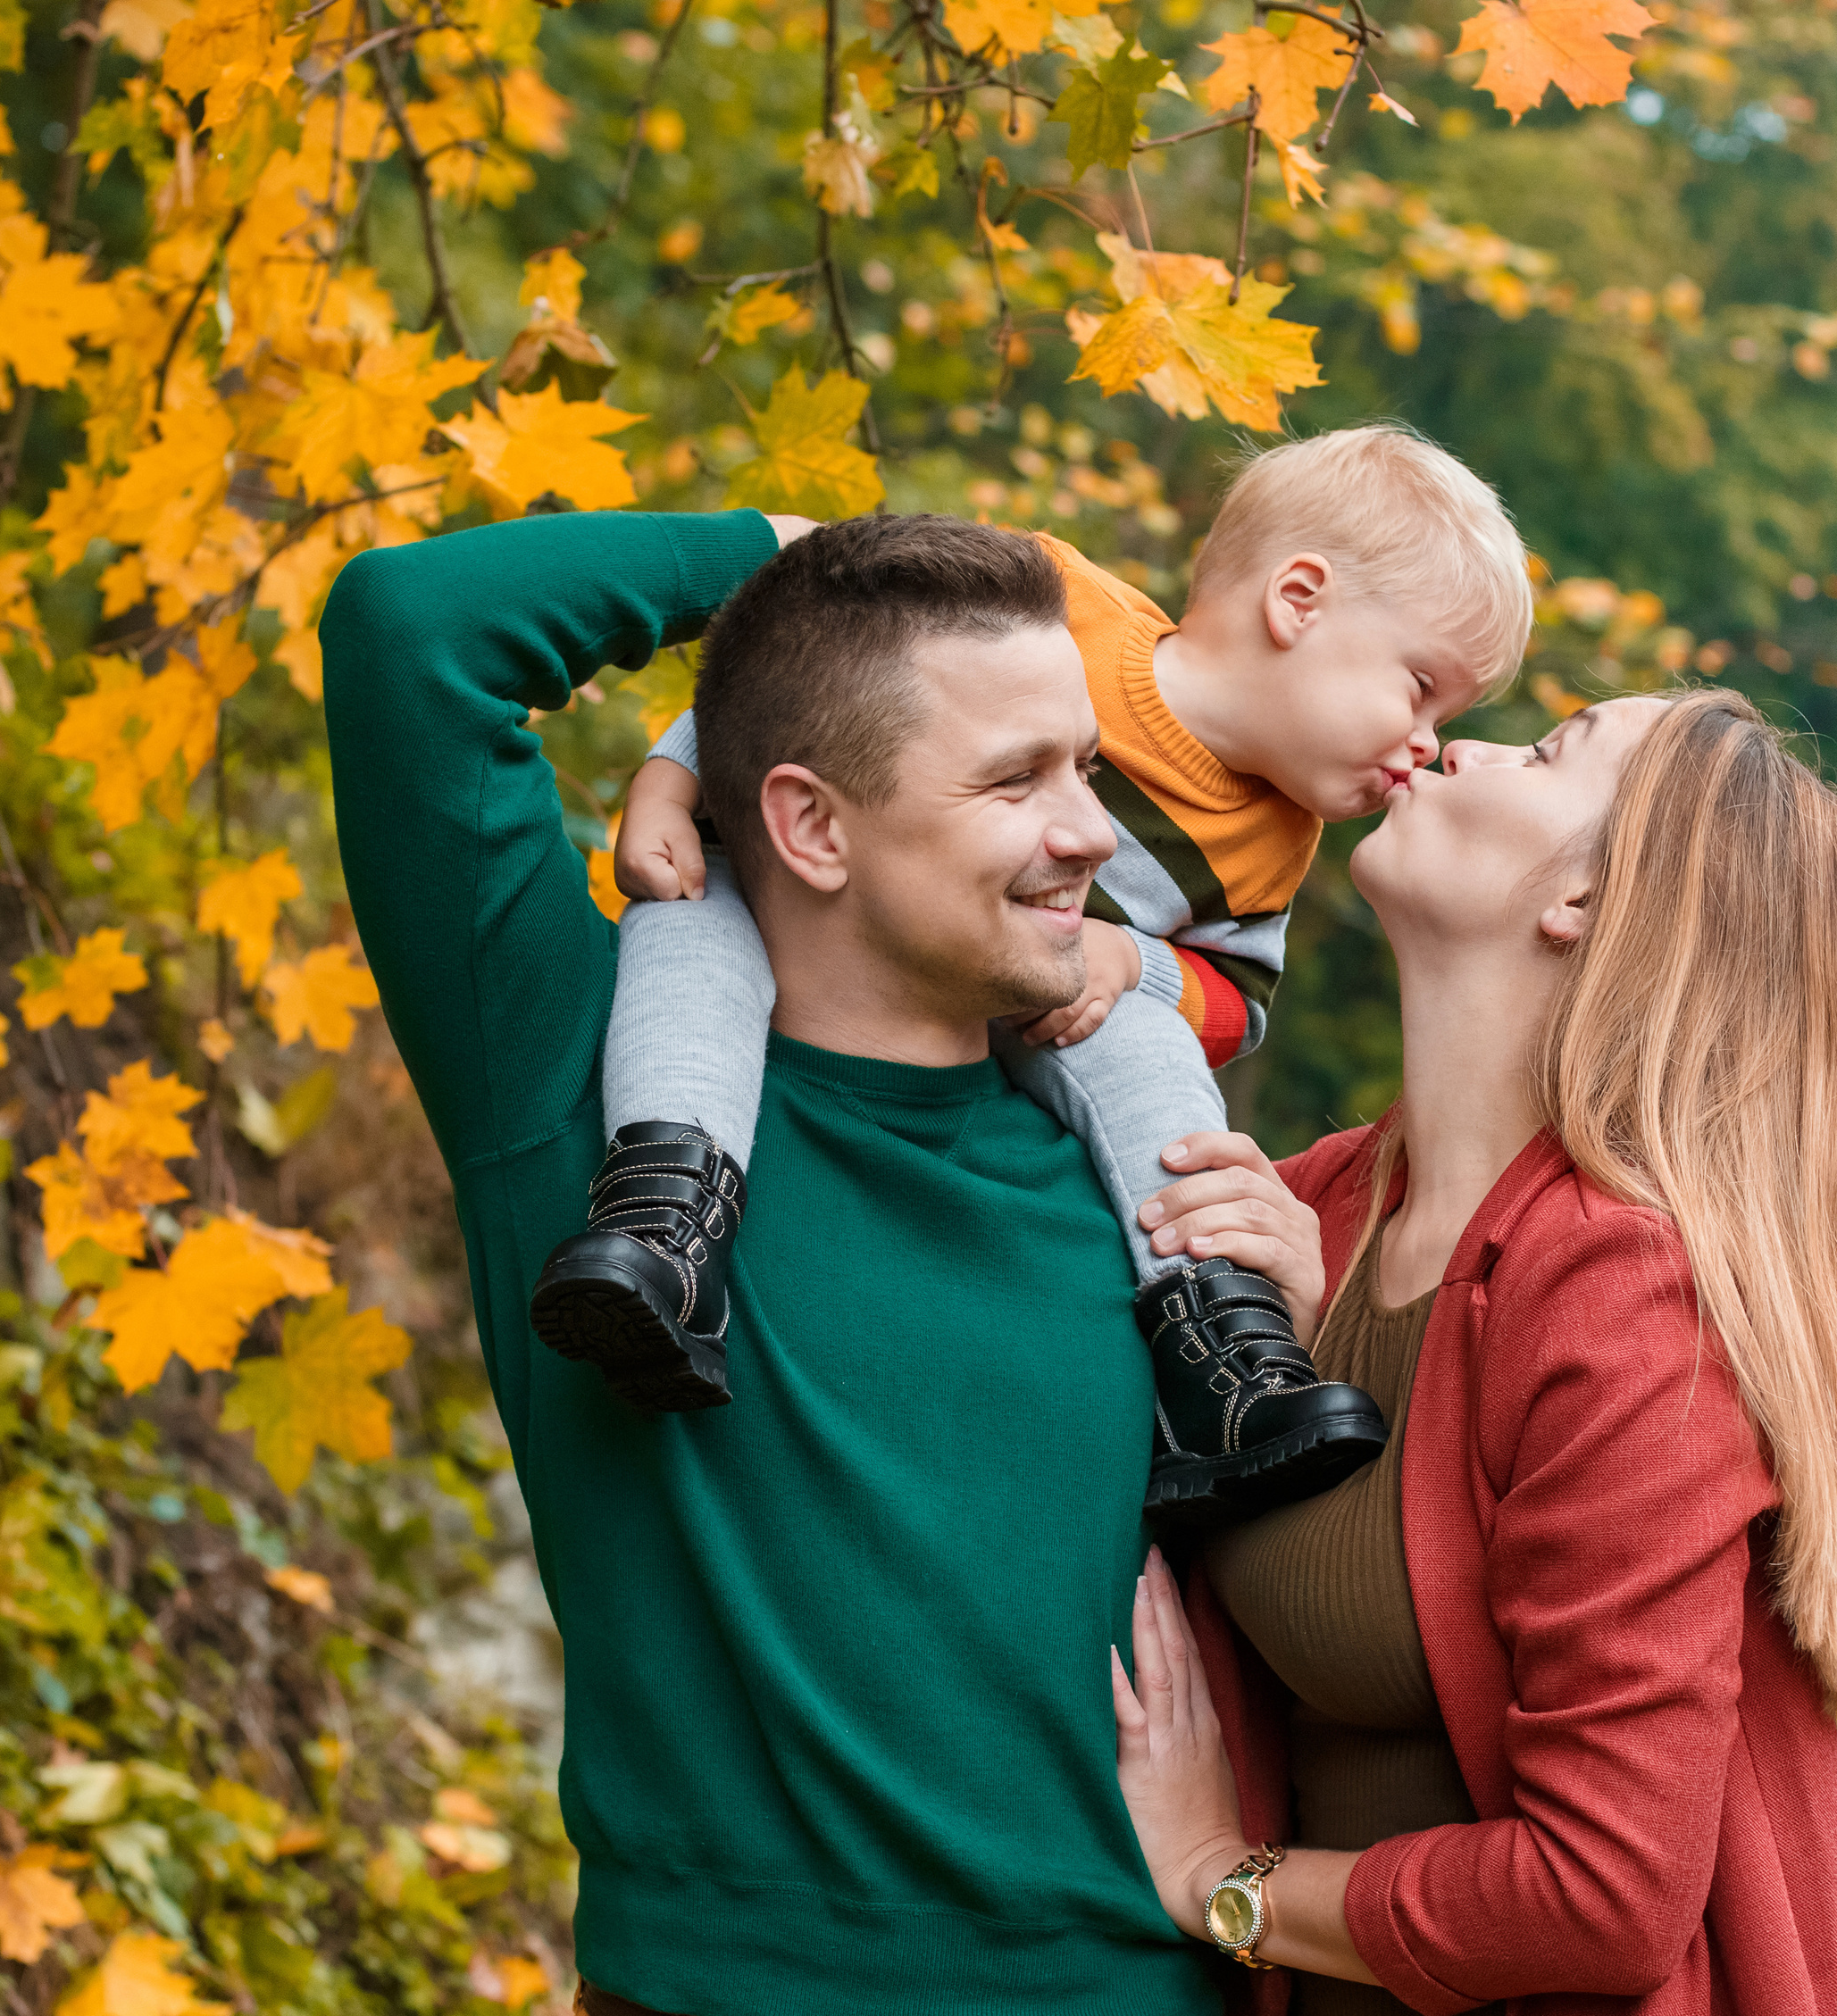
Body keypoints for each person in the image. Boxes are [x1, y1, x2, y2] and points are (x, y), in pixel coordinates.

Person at [321, 508, 1302, 2016]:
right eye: (1018, 778)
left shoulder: (1154, 1173)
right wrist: (805, 548)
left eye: (1087, 763)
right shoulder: (596, 1115)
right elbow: (410, 629)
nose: (1094, 830)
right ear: (808, 821)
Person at [1106, 689, 1837, 2016]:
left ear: (1583, 902)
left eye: (1547, 748)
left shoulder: (1619, 1297)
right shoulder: (1315, 1211)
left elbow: (1606, 1889)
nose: (1458, 743)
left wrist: (1225, 1885)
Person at [528, 429, 1534, 1524]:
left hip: (1026, 1002)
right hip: (798, 880)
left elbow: (1234, 1004)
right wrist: (673, 779)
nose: (1427, 746)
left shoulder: (1275, 842)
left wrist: (1136, 960)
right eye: (1421, 690)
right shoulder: (1059, 608)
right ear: (1299, 599)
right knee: (686, 928)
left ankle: (1216, 1342)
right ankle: (668, 1221)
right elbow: (811, 667)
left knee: (1141, 1035)